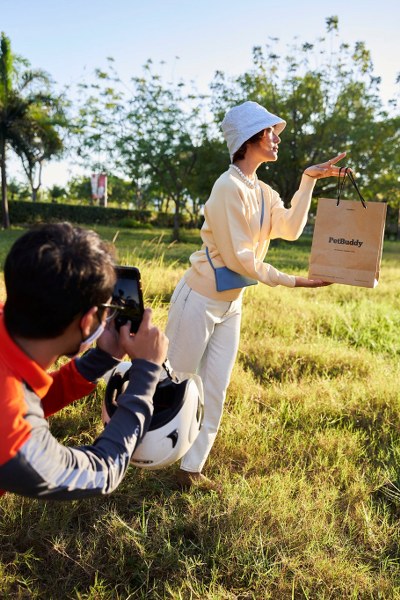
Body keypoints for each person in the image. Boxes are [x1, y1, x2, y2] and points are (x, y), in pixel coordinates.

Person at [165, 100, 347, 491]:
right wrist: (292, 280)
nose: (276, 139)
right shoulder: (226, 187)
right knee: (173, 381)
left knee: (215, 388)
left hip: (232, 303)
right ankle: (131, 446)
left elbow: (291, 229)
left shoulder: (262, 191)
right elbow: (240, 258)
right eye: (269, 132)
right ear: (248, 139)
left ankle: (190, 470)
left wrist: (308, 180)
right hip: (198, 299)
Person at [0, 222, 168, 500]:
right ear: (88, 319)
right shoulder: (13, 438)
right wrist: (147, 374)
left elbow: (19, 398)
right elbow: (102, 471)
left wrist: (100, 359)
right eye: (107, 309)